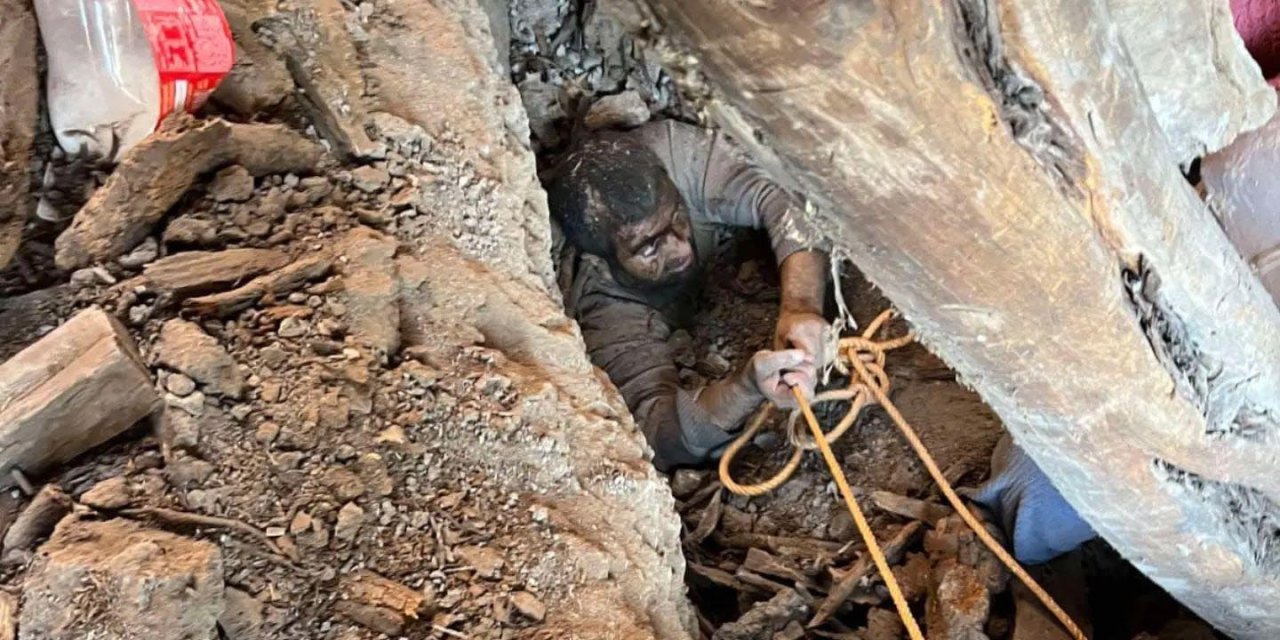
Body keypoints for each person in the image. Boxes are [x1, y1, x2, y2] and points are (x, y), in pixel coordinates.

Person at [546, 119, 831, 472]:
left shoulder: (676, 154)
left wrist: (800, 306)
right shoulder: (604, 309)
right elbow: (655, 435)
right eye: (650, 249)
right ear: (600, 264)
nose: (681, 248)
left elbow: (788, 194)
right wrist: (745, 389)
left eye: (679, 218)